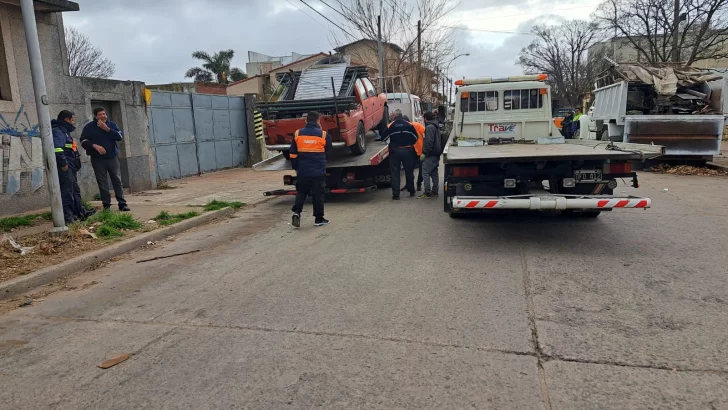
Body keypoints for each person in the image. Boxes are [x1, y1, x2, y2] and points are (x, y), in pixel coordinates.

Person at [81, 108, 130, 212]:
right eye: (100, 114)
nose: (103, 116)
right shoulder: (89, 127)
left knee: (117, 180)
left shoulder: (111, 125)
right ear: (95, 116)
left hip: (112, 158)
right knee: (102, 182)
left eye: (104, 114)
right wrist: (93, 145)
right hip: (97, 159)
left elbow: (119, 137)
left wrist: (107, 129)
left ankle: (122, 204)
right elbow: (83, 141)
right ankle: (106, 205)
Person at [289, 111, 332, 228]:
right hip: (318, 171)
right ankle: (319, 218)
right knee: (318, 194)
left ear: (306, 121)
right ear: (318, 121)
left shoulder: (297, 134)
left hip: (303, 170)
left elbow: (292, 154)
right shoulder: (323, 135)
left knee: (301, 192)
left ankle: (296, 212)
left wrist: (296, 168)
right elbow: (329, 148)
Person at [52, 110, 94, 224]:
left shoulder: (65, 130)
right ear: (66, 119)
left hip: (71, 165)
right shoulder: (59, 131)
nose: (73, 122)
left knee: (75, 190)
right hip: (66, 167)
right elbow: (58, 149)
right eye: (72, 120)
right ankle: (68, 217)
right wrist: (63, 164)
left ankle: (81, 212)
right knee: (67, 192)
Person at [381, 109, 419, 200]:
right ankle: (411, 190)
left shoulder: (391, 126)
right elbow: (415, 137)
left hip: (395, 152)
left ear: (395, 116)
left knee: (395, 173)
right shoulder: (409, 125)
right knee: (409, 172)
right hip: (407, 151)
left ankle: (396, 195)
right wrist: (409, 144)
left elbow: (383, 138)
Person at [418, 111, 443, 198]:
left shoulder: (429, 127)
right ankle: (435, 191)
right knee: (434, 172)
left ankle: (427, 192)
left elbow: (429, 141)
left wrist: (424, 152)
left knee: (425, 172)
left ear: (425, 118)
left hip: (430, 153)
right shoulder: (436, 126)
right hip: (436, 153)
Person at [400, 115, 425, 193]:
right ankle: (408, 184)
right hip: (411, 151)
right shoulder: (404, 128)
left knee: (422, 169)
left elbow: (426, 135)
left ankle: (419, 184)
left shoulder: (417, 125)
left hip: (420, 151)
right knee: (409, 169)